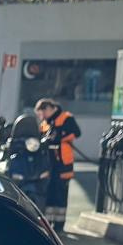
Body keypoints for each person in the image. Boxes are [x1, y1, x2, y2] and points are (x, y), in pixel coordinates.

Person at [35, 97, 81, 230]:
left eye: (43, 113)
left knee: (61, 192)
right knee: (49, 191)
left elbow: (76, 133)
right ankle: (48, 222)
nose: (42, 117)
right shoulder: (45, 123)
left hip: (63, 163)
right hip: (49, 164)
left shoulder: (66, 118)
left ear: (49, 108)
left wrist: (60, 137)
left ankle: (59, 224)